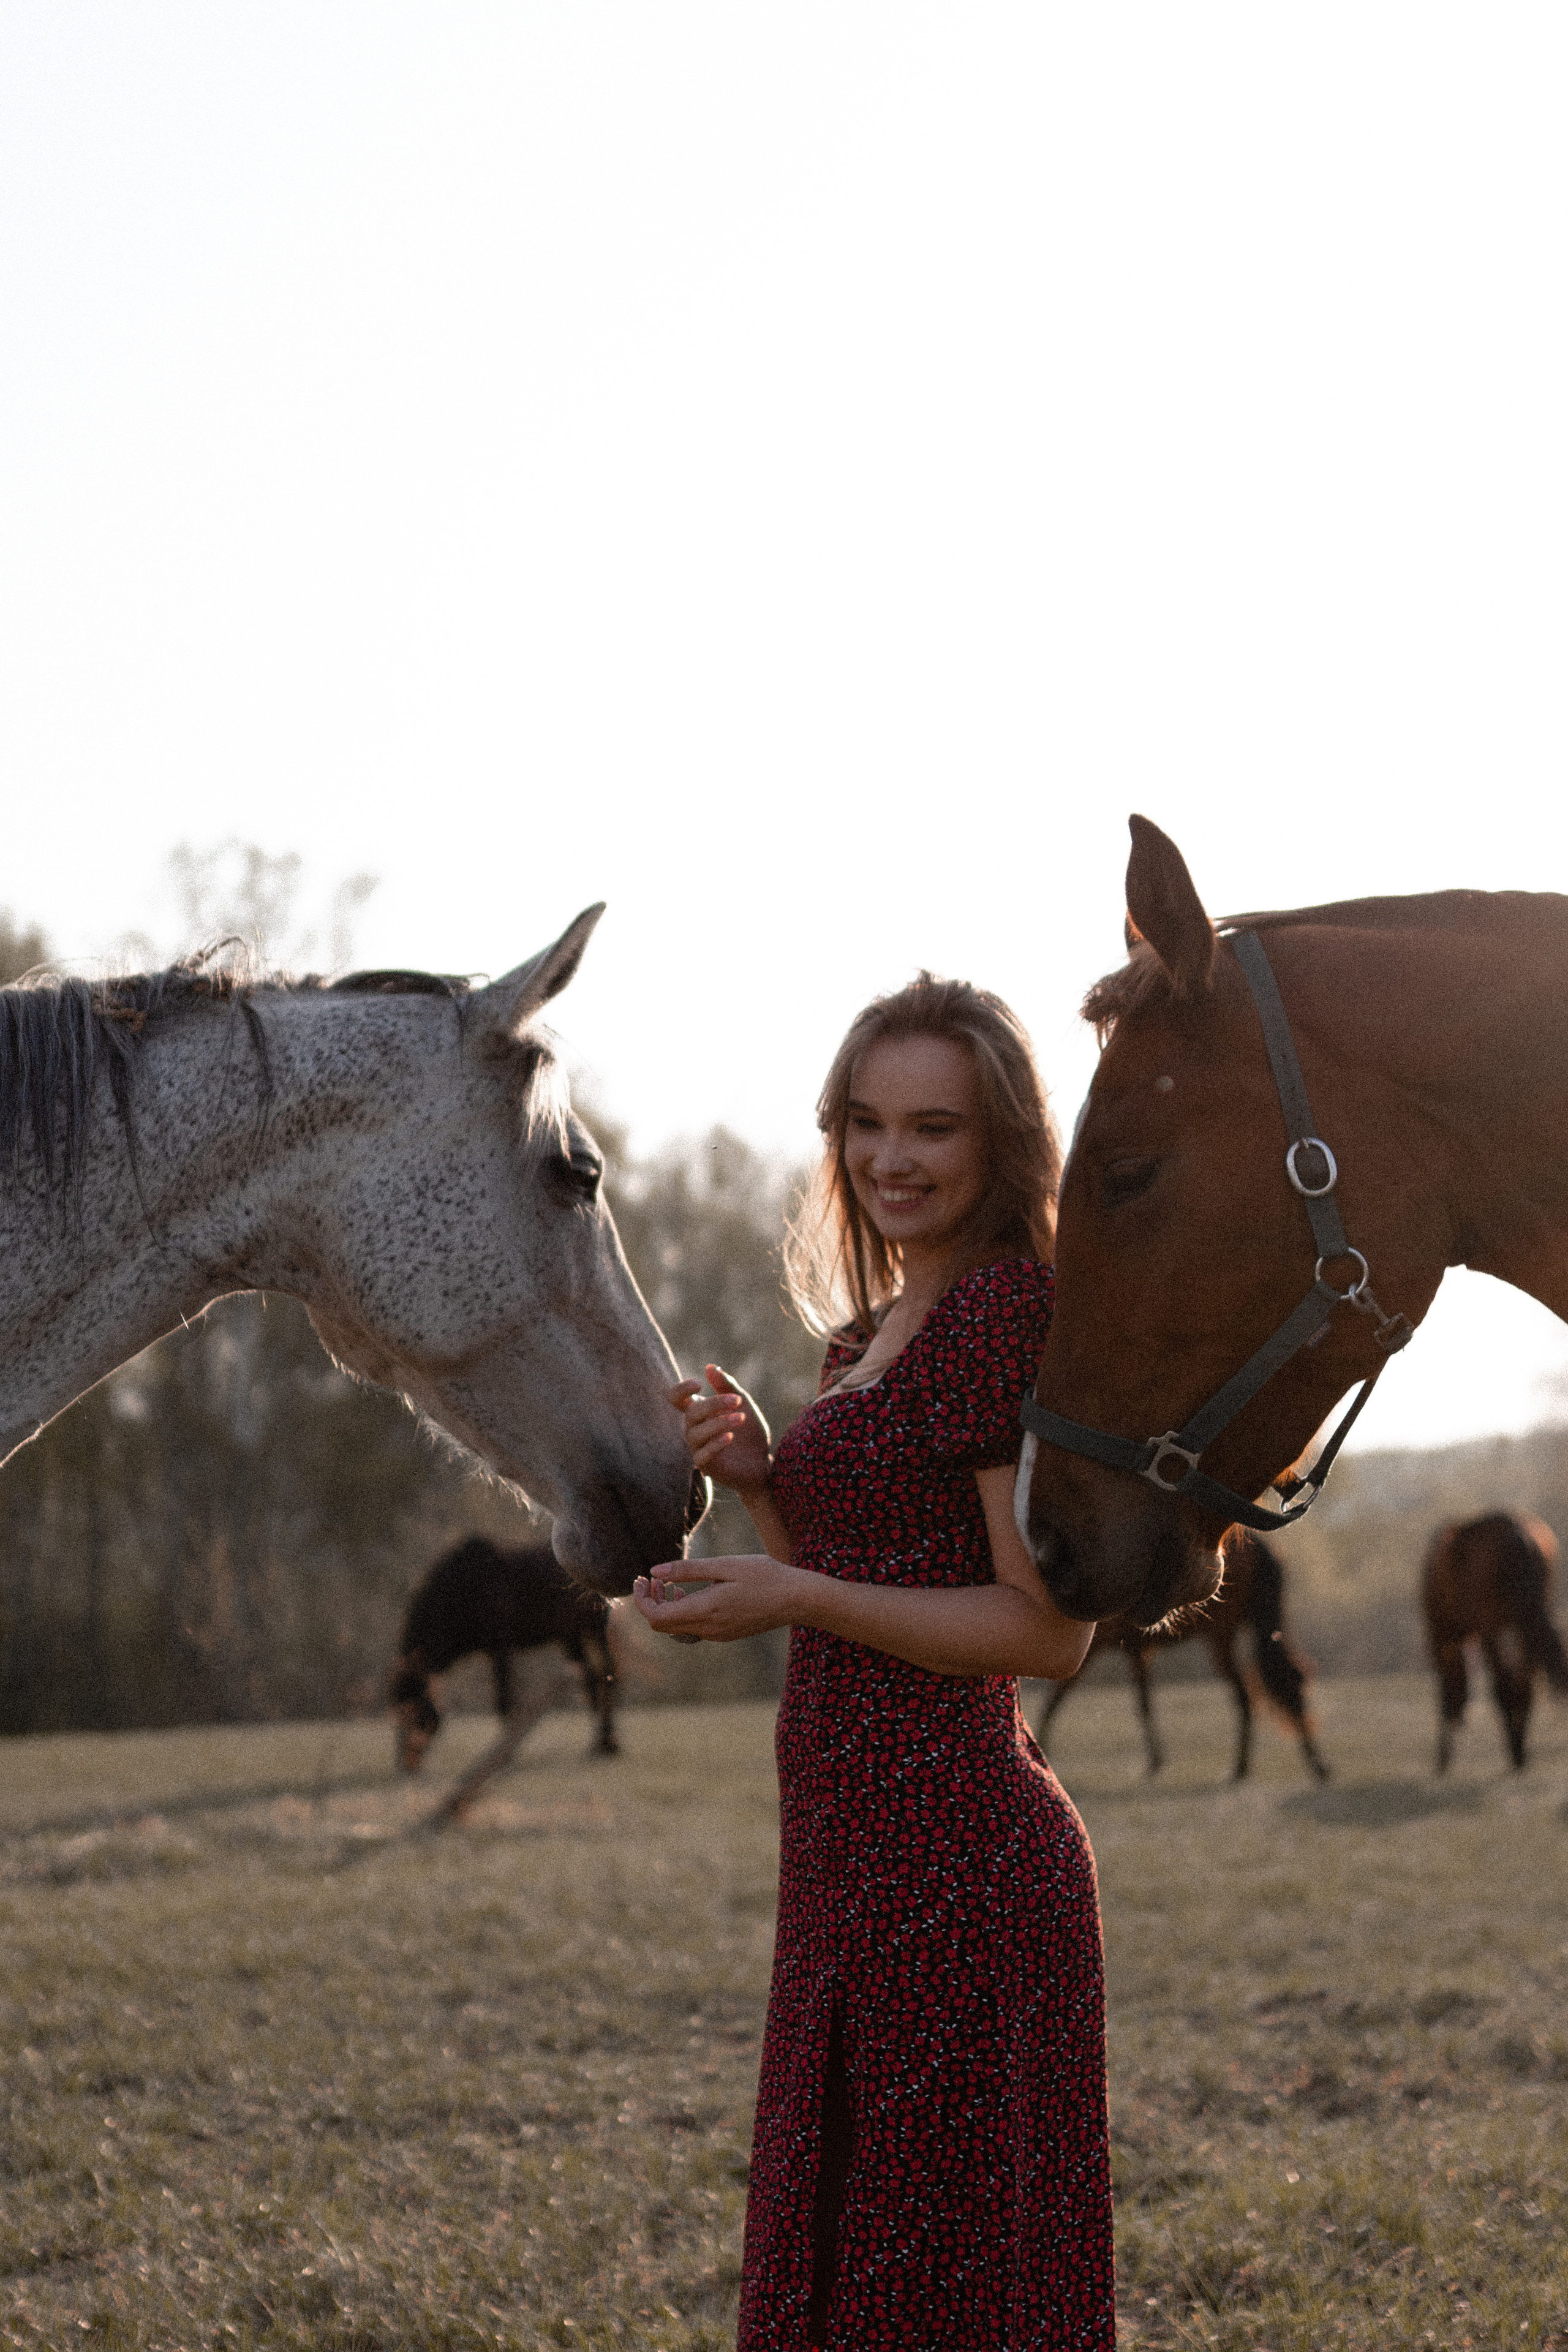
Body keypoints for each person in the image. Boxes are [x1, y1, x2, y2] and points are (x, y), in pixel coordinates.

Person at [634, 973, 1115, 2351]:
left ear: (999, 1143)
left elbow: (1041, 1629)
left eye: (931, 1129)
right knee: (852, 2262)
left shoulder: (1003, 1316)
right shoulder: (865, 1332)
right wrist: (760, 1485)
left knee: (938, 2283)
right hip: (850, 1862)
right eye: (863, 1123)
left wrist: (791, 1586)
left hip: (961, 1861)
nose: (888, 1159)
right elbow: (874, 1573)